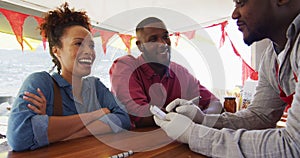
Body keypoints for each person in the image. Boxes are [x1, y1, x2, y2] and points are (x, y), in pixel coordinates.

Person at [154, 0, 300, 157]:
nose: (234, 14)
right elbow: (260, 116)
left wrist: (194, 134)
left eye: (241, 2)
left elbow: (293, 145)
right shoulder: (271, 57)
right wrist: (203, 119)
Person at [7, 3, 130, 151]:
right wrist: (95, 115)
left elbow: (123, 119)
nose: (88, 51)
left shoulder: (95, 86)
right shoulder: (41, 82)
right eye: (78, 43)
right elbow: (19, 137)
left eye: (91, 45)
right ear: (57, 51)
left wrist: (60, 130)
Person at [109, 17, 223, 128]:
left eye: (165, 36)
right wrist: (186, 115)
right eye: (153, 39)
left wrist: (202, 117)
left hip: (179, 143)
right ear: (140, 46)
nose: (163, 43)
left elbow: (215, 103)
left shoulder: (180, 72)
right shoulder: (125, 66)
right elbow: (138, 114)